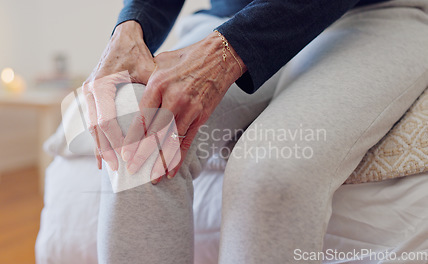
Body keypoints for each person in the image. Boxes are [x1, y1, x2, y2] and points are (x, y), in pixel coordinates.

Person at [81, 0, 428, 263]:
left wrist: (230, 50)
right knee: (138, 132)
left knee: (271, 169)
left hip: (370, 14)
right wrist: (131, 27)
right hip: (230, 16)